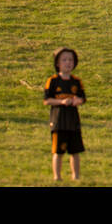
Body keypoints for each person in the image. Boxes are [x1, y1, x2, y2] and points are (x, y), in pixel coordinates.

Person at [43, 47, 86, 181]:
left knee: (75, 151)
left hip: (73, 122)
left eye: (70, 60)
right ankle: (57, 177)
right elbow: (47, 100)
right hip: (58, 122)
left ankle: (76, 176)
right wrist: (61, 102)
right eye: (64, 60)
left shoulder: (76, 81)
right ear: (57, 63)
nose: (68, 63)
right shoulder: (53, 81)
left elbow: (82, 98)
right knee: (58, 151)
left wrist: (75, 101)